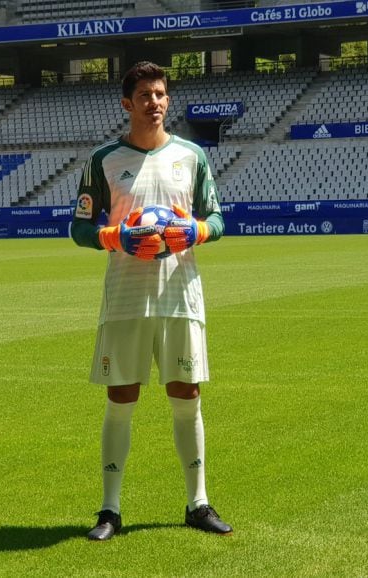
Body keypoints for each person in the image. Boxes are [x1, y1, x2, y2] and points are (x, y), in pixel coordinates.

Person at [71, 61, 231, 541]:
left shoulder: (191, 156)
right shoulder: (103, 160)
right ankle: (110, 510)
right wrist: (115, 235)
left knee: (187, 394)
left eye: (161, 94)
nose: (155, 103)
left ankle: (197, 503)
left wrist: (196, 230)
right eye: (145, 95)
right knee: (121, 397)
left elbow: (218, 219)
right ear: (127, 104)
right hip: (125, 299)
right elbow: (79, 228)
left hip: (181, 296)